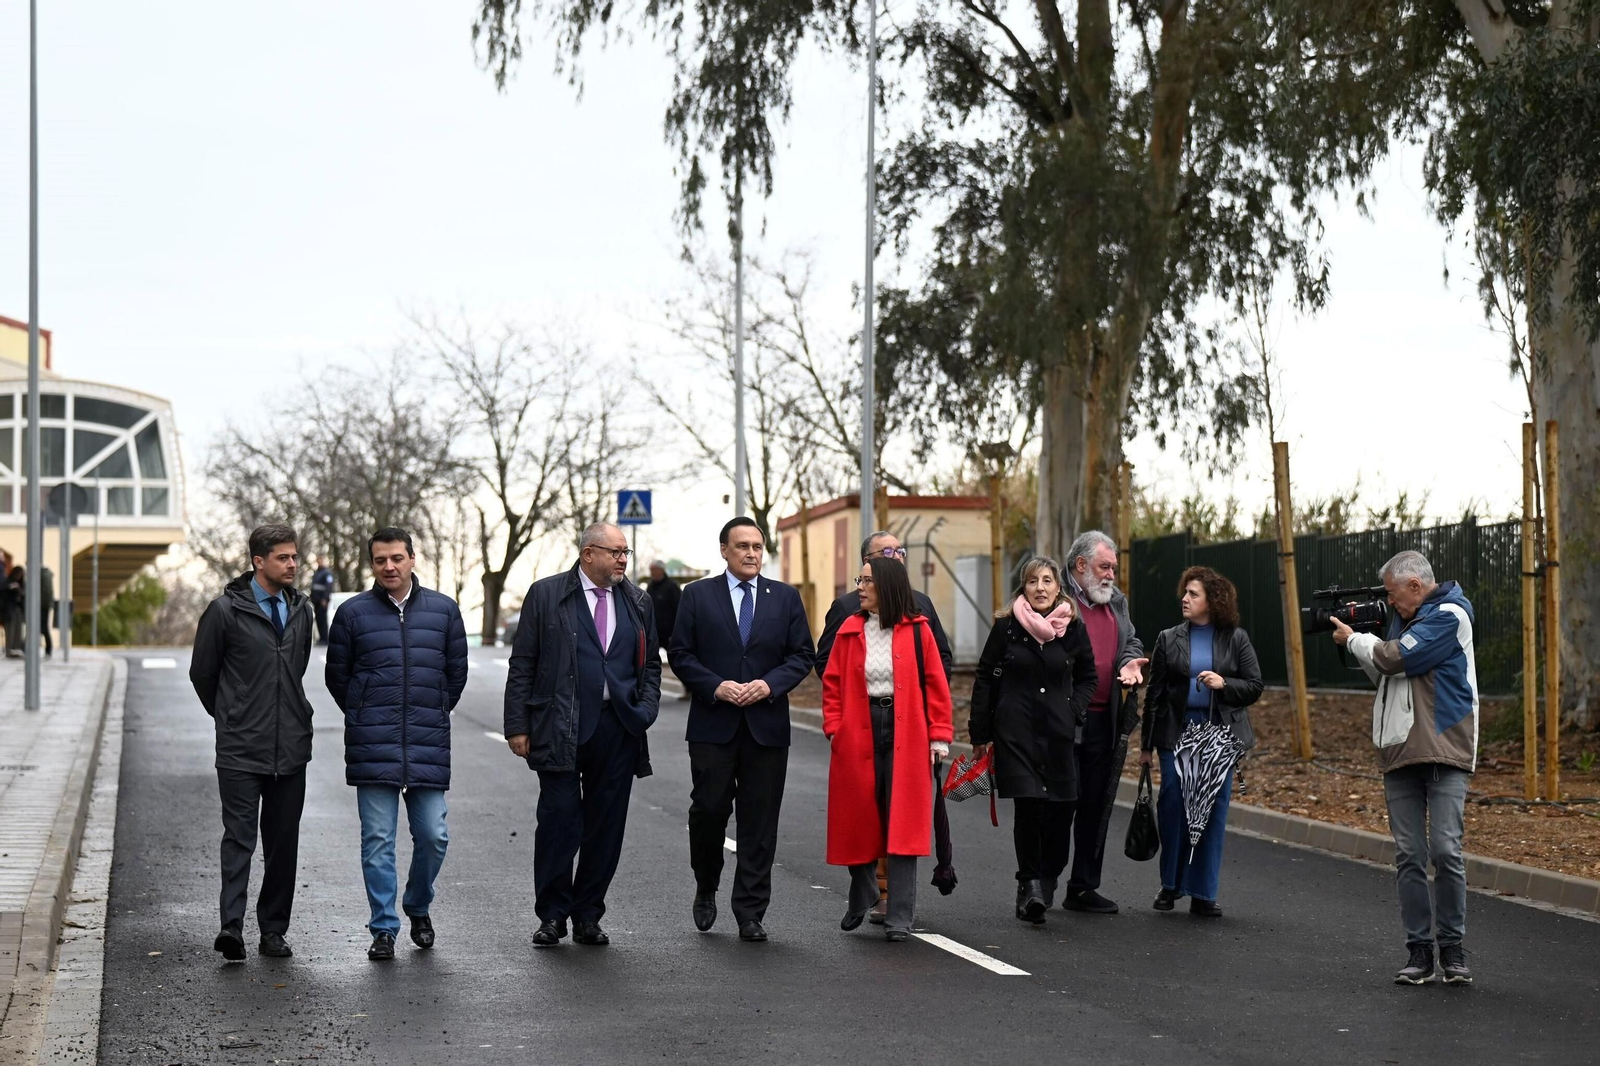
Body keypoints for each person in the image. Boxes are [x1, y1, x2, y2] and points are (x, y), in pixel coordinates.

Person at [503, 522, 661, 948]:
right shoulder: (547, 594)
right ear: (588, 553)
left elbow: (649, 667)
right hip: (559, 724)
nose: (623, 560)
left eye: (626, 552)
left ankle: (588, 915)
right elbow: (524, 662)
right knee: (559, 822)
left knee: (605, 827)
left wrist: (645, 711)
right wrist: (517, 725)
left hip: (619, 727)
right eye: (615, 552)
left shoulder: (639, 601)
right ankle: (552, 916)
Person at [1333, 550, 1479, 986]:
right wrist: (1368, 646)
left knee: (1446, 851)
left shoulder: (1450, 615)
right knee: (1409, 856)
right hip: (1399, 750)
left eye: (1395, 596)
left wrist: (1355, 640)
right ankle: (1420, 952)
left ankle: (1451, 948)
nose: (1391, 604)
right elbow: (1387, 676)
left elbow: (1396, 657)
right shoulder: (1405, 621)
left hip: (1445, 750)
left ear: (1416, 585)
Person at [325, 528, 468, 961]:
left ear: (412, 559)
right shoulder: (351, 614)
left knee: (434, 835)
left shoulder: (443, 611)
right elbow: (338, 677)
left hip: (426, 740)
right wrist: (363, 711)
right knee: (378, 840)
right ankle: (383, 927)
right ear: (372, 564)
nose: (389, 566)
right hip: (373, 743)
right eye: (380, 560)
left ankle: (418, 905)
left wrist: (437, 707)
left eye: (397, 558)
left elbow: (455, 674)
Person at [670, 517, 815, 942]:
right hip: (713, 725)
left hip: (766, 727)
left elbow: (802, 654)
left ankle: (751, 912)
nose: (752, 553)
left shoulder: (785, 598)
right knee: (709, 810)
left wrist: (770, 684)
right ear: (724, 551)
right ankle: (706, 884)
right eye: (743, 546)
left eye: (757, 546)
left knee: (760, 820)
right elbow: (679, 653)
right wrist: (715, 686)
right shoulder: (696, 596)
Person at [188, 524, 315, 961]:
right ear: (258, 562)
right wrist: (231, 715)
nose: (293, 564)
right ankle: (232, 929)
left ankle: (274, 931)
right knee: (239, 839)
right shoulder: (224, 611)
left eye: (294, 556)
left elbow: (296, 668)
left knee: (283, 845)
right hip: (241, 749)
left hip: (292, 748)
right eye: (283, 557)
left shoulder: (302, 610)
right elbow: (203, 674)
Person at [814, 529, 953, 919]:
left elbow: (936, 681)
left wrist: (938, 735)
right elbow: (832, 681)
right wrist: (834, 727)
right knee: (857, 813)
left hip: (906, 729)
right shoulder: (848, 626)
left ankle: (900, 916)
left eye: (867, 581)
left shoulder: (917, 626)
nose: (860, 587)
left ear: (887, 585)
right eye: (860, 580)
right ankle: (863, 894)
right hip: (859, 727)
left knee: (903, 820)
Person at [968, 556, 1098, 924]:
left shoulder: (1072, 628)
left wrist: (1074, 709)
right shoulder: (1007, 628)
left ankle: (1046, 876)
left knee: (1062, 808)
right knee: (1029, 807)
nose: (1039, 587)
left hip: (1058, 734)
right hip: (1015, 731)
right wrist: (980, 732)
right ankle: (1028, 886)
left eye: (1046, 580)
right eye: (1031, 581)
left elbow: (1089, 675)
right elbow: (985, 677)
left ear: (1059, 587)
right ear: (1022, 588)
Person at [1139, 566, 1262, 918]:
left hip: (1219, 735)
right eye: (1185, 593)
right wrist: (1146, 747)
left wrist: (1225, 684)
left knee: (1211, 810)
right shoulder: (1168, 638)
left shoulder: (1236, 638)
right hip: (1177, 733)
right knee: (1174, 804)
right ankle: (1171, 885)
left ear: (1213, 600)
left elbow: (1254, 686)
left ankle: (1203, 893)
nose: (1185, 599)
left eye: (1193, 594)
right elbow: (1156, 695)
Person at [1055, 530, 1148, 914]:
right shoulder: (1052, 594)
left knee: (1096, 806)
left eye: (1113, 567)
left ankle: (1083, 887)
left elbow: (1132, 641)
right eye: (1103, 566)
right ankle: (1039, 886)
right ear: (1080, 566)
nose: (1111, 574)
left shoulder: (1116, 601)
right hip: (1063, 721)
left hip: (1105, 721)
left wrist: (1129, 660)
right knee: (1060, 805)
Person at [646, 559, 688, 701]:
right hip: (654, 633)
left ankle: (689, 689)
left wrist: (676, 632)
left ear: (661, 570)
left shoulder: (671, 587)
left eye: (654, 570)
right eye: (651, 570)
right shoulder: (650, 587)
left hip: (670, 633)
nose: (652, 573)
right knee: (646, 661)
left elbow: (680, 610)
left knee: (679, 661)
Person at [310, 556, 336, 645]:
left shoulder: (326, 573)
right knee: (318, 619)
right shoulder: (317, 573)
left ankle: (325, 639)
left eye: (321, 560)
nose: (319, 562)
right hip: (316, 600)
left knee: (322, 619)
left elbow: (328, 586)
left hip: (322, 600)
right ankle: (321, 638)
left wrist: (325, 598)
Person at [37, 565, 54, 657]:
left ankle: (48, 649)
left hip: (42, 605)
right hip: (44, 605)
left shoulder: (42, 575)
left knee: (43, 627)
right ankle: (48, 649)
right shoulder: (45, 574)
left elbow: (45, 592)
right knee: (43, 627)